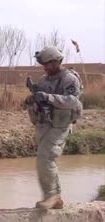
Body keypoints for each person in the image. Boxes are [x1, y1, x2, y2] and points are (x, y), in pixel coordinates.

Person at [24, 46, 83, 209]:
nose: (45, 68)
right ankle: (53, 197)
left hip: (60, 124)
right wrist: (33, 99)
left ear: (57, 62)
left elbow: (72, 101)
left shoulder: (69, 79)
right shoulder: (44, 80)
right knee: (43, 160)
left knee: (46, 157)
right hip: (44, 123)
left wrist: (49, 97)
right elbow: (41, 99)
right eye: (44, 65)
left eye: (48, 64)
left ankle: (52, 196)